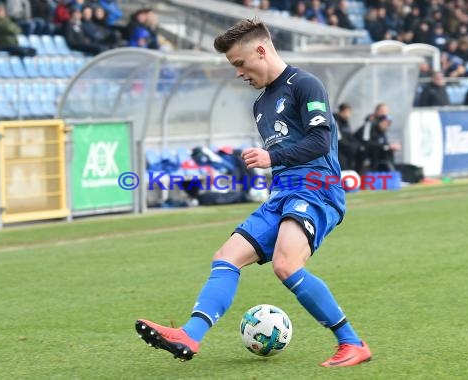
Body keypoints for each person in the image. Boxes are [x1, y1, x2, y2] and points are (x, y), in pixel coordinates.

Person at [135, 18, 372, 368]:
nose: (238, 73)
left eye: (240, 64)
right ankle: (189, 335)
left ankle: (352, 343)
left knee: (285, 264)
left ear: (261, 50)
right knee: (226, 256)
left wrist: (270, 157)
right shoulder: (260, 106)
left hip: (317, 187)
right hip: (283, 193)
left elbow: (320, 140)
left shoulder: (305, 84)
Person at [335, 103, 359, 171]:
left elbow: (350, 136)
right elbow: (338, 140)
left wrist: (356, 145)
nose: (349, 114)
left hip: (347, 151)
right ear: (342, 112)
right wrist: (350, 146)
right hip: (339, 152)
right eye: (348, 112)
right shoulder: (335, 122)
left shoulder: (346, 122)